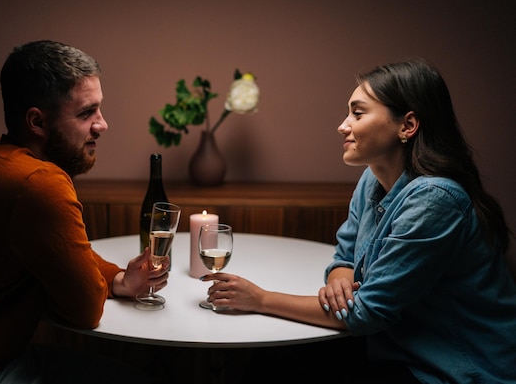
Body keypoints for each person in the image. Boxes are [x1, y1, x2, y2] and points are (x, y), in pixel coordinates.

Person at [203, 59, 516, 383]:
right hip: (393, 345)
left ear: (407, 125)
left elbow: (366, 314)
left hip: (449, 368)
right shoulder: (372, 179)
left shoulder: (435, 200)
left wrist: (260, 299)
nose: (343, 125)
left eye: (358, 112)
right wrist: (340, 279)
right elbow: (345, 255)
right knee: (274, 360)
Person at [0, 40, 168, 384]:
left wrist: (116, 278)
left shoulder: (6, 161)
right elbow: (85, 310)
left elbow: (62, 252)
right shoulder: (38, 182)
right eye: (86, 113)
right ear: (37, 121)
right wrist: (106, 283)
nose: (102, 125)